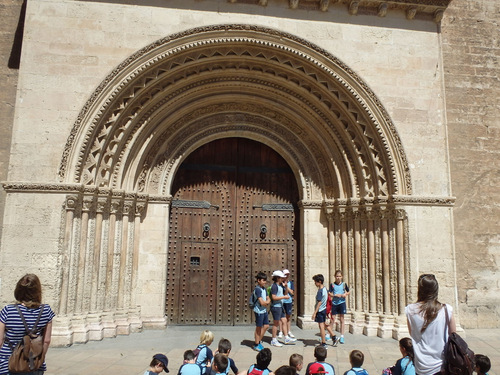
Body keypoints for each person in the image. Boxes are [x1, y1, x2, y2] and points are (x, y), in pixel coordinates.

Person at [0, 273, 56, 375]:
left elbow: (0, 340)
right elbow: (46, 340)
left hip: (8, 363)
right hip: (33, 364)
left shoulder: (8, 311)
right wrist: (39, 358)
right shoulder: (46, 311)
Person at [405, 274, 456, 375]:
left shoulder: (410, 310)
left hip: (421, 365)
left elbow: (412, 333)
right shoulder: (447, 309)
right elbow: (454, 335)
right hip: (441, 365)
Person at [270, 270, 296, 346]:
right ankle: (274, 340)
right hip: (276, 307)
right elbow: (274, 297)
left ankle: (286, 338)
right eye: (281, 277)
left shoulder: (281, 285)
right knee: (276, 323)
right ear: (277, 278)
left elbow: (285, 293)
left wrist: (286, 287)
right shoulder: (274, 286)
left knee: (284, 321)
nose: (283, 279)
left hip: (280, 306)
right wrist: (284, 297)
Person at [312, 274, 336, 349]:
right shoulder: (325, 289)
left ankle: (323, 343)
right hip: (324, 310)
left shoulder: (320, 291)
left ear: (319, 282)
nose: (315, 283)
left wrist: (314, 313)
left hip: (320, 310)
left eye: (315, 282)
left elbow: (319, 302)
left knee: (321, 327)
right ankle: (334, 337)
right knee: (324, 324)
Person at [327, 270, 350, 345]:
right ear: (335, 277)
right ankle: (329, 334)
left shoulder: (344, 284)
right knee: (332, 319)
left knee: (342, 319)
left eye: (340, 276)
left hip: (342, 303)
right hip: (334, 303)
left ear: (342, 276)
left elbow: (348, 291)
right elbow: (329, 293)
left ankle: (342, 336)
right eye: (337, 276)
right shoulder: (332, 285)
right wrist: (334, 295)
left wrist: (345, 294)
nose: (338, 278)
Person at [253, 272, 271, 351]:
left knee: (266, 325)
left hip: (264, 310)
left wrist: (266, 302)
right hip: (259, 311)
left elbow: (268, 298)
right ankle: (257, 343)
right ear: (258, 280)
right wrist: (266, 302)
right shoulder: (257, 289)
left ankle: (258, 340)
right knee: (258, 327)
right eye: (263, 280)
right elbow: (262, 302)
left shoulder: (264, 289)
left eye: (265, 280)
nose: (265, 282)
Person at [279, 269, 295, 339]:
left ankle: (289, 331)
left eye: (288, 274)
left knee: (288, 317)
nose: (287, 276)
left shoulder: (290, 283)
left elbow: (292, 292)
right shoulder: (280, 283)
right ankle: (280, 331)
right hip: (282, 301)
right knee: (280, 317)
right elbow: (284, 293)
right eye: (285, 274)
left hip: (288, 301)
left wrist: (286, 287)